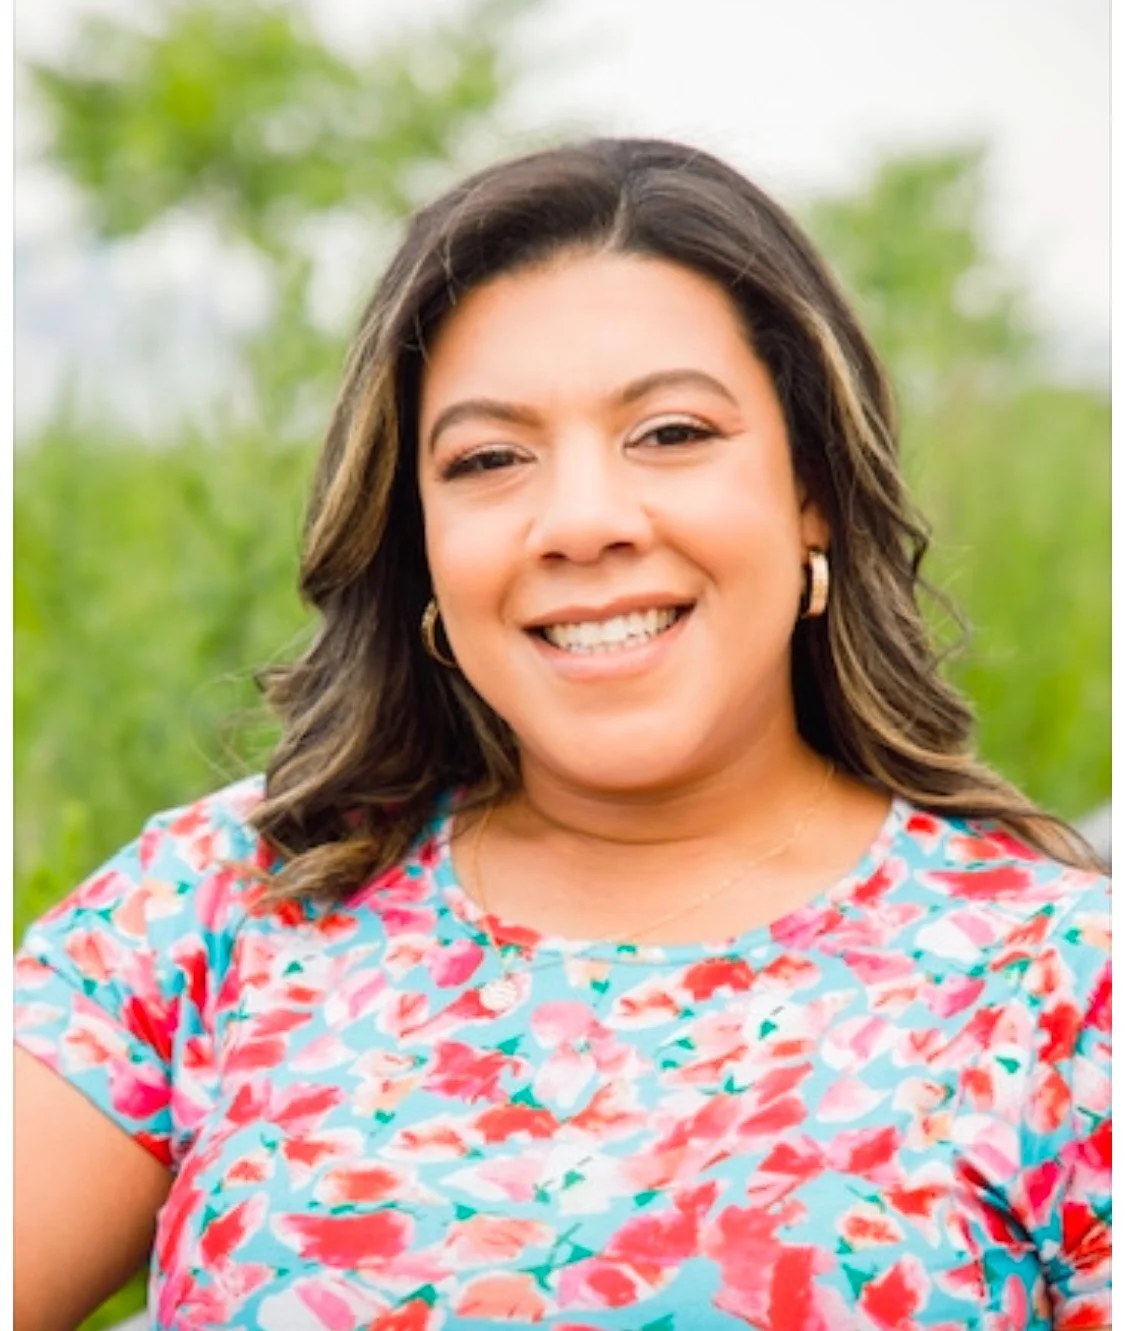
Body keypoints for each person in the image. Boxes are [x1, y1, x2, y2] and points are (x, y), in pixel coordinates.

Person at [14, 138, 1110, 1331]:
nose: (581, 521)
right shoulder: (225, 900)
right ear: (417, 540)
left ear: (815, 493)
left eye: (674, 432)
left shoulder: (1058, 982)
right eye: (489, 459)